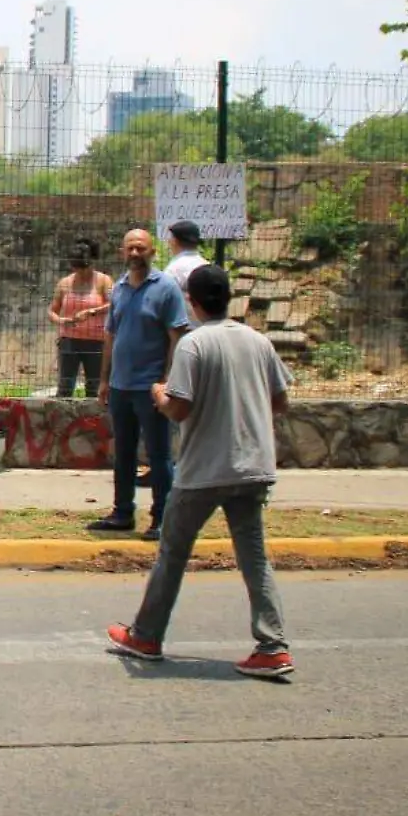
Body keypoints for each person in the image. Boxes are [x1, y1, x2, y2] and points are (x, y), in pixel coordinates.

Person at [107, 265, 296, 680]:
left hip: (204, 471)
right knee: (254, 556)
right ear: (229, 297)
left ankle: (146, 635)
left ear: (190, 301)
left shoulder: (193, 345)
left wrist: (158, 394)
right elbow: (280, 401)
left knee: (172, 552)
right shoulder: (258, 341)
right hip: (253, 467)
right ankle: (272, 645)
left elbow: (179, 407)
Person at [88, 228, 189, 540]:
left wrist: (168, 381)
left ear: (152, 252)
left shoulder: (166, 288)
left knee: (159, 456)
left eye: (141, 248)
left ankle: (162, 518)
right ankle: (122, 513)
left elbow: (177, 336)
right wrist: (104, 379)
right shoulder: (118, 288)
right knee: (125, 453)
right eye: (130, 248)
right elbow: (111, 336)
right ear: (122, 252)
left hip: (151, 388)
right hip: (120, 386)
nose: (135, 253)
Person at [48, 239, 112, 398]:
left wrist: (92, 312)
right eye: (78, 268)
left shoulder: (103, 281)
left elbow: (115, 304)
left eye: (85, 267)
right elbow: (52, 311)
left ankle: (94, 421)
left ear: (92, 262)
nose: (82, 272)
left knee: (94, 386)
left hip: (96, 342)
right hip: (69, 341)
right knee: (65, 385)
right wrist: (62, 321)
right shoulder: (65, 283)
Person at [164, 219, 208, 290]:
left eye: (171, 238)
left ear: (175, 241)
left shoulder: (173, 270)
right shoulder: (206, 265)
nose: (168, 241)